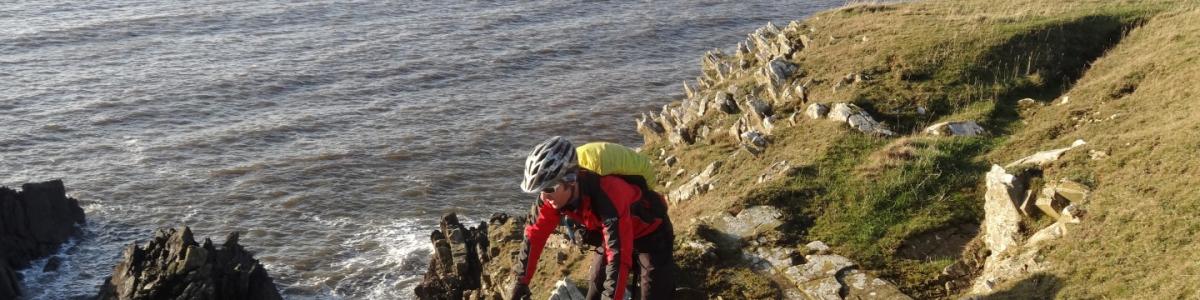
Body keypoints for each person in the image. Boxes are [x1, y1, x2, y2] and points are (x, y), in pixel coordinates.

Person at [508, 136, 675, 300]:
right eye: (540, 190)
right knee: (596, 285)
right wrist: (520, 283)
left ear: (570, 180)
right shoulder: (551, 199)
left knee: (652, 294)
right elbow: (534, 236)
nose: (544, 197)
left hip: (651, 235)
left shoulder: (609, 193)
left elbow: (617, 256)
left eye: (549, 188)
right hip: (611, 236)